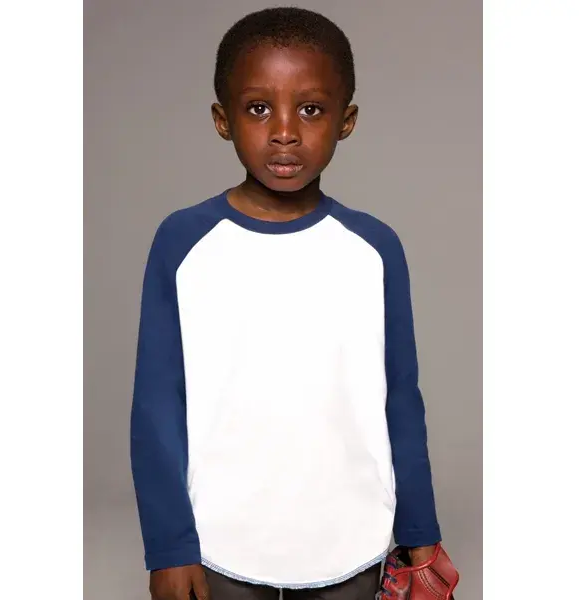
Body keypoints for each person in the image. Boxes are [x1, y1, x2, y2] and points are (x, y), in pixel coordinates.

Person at [131, 7, 442, 600]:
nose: (284, 132)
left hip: (351, 539)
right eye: (258, 108)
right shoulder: (183, 242)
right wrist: (169, 546)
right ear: (222, 120)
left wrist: (420, 529)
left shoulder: (374, 248)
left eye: (311, 109)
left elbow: (400, 397)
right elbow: (157, 406)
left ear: (346, 121)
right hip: (220, 542)